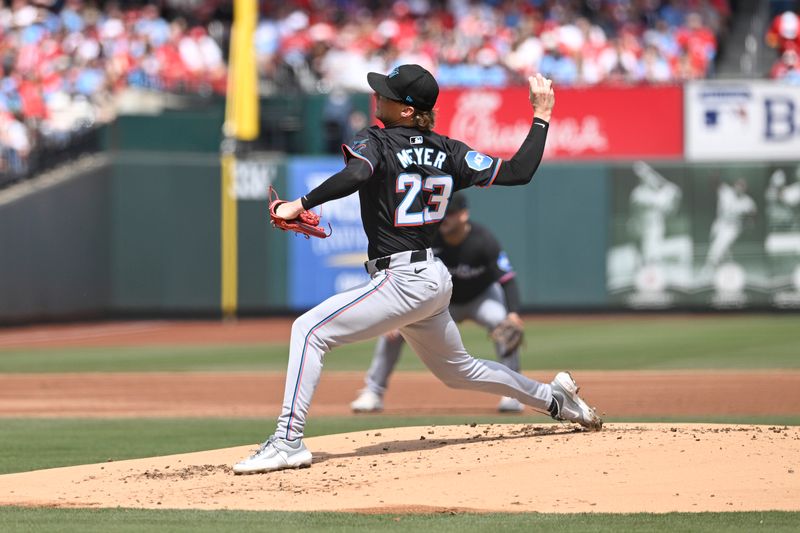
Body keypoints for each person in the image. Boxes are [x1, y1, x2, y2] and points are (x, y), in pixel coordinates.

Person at [233, 64, 602, 475]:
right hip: (431, 277)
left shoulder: (377, 140)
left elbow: (358, 173)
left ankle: (287, 441)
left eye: (387, 93)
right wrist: (541, 116)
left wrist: (299, 203)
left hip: (403, 279)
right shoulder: (450, 151)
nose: (378, 96)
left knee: (309, 331)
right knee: (460, 371)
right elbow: (519, 171)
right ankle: (555, 399)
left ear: (407, 110)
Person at [350, 191, 528, 413]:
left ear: (464, 215)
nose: (445, 219)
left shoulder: (484, 240)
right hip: (443, 301)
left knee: (502, 323)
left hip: (481, 298)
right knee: (395, 330)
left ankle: (513, 393)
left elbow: (507, 279)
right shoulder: (430, 237)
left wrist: (513, 313)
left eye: (451, 213)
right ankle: (373, 392)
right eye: (443, 213)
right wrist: (397, 315)